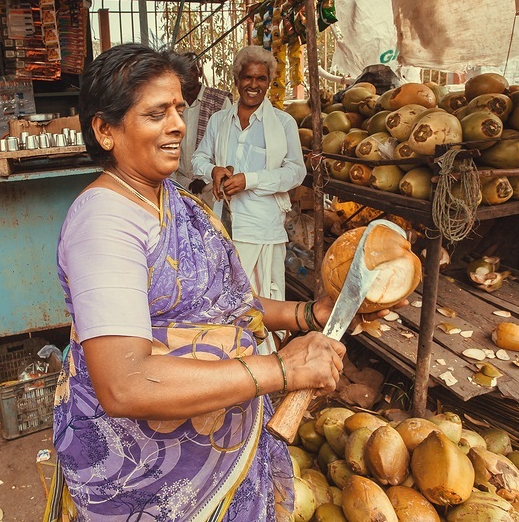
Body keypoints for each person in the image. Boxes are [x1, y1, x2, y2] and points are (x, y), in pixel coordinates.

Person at [44, 43, 356, 522]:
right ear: (105, 130)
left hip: (214, 452)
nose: (176, 126)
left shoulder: (170, 198)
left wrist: (304, 314)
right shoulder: (104, 222)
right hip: (150, 480)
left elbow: (220, 306)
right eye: (156, 113)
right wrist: (280, 370)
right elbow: (125, 384)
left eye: (178, 109)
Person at [192, 45, 306, 352]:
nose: (253, 85)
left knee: (262, 299)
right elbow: (197, 159)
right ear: (236, 79)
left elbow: (296, 172)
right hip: (224, 227)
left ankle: (266, 369)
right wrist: (213, 170)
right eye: (247, 77)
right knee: (226, 300)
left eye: (261, 78)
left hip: (263, 228)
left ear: (269, 81)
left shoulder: (283, 124)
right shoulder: (218, 121)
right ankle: (232, 364)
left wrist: (250, 179)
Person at [172, 51, 232, 203]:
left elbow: (227, 146)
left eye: (192, 69)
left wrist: (204, 177)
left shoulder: (220, 101)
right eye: (183, 71)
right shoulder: (172, 103)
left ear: (199, 71)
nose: (188, 74)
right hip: (179, 182)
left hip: (210, 185)